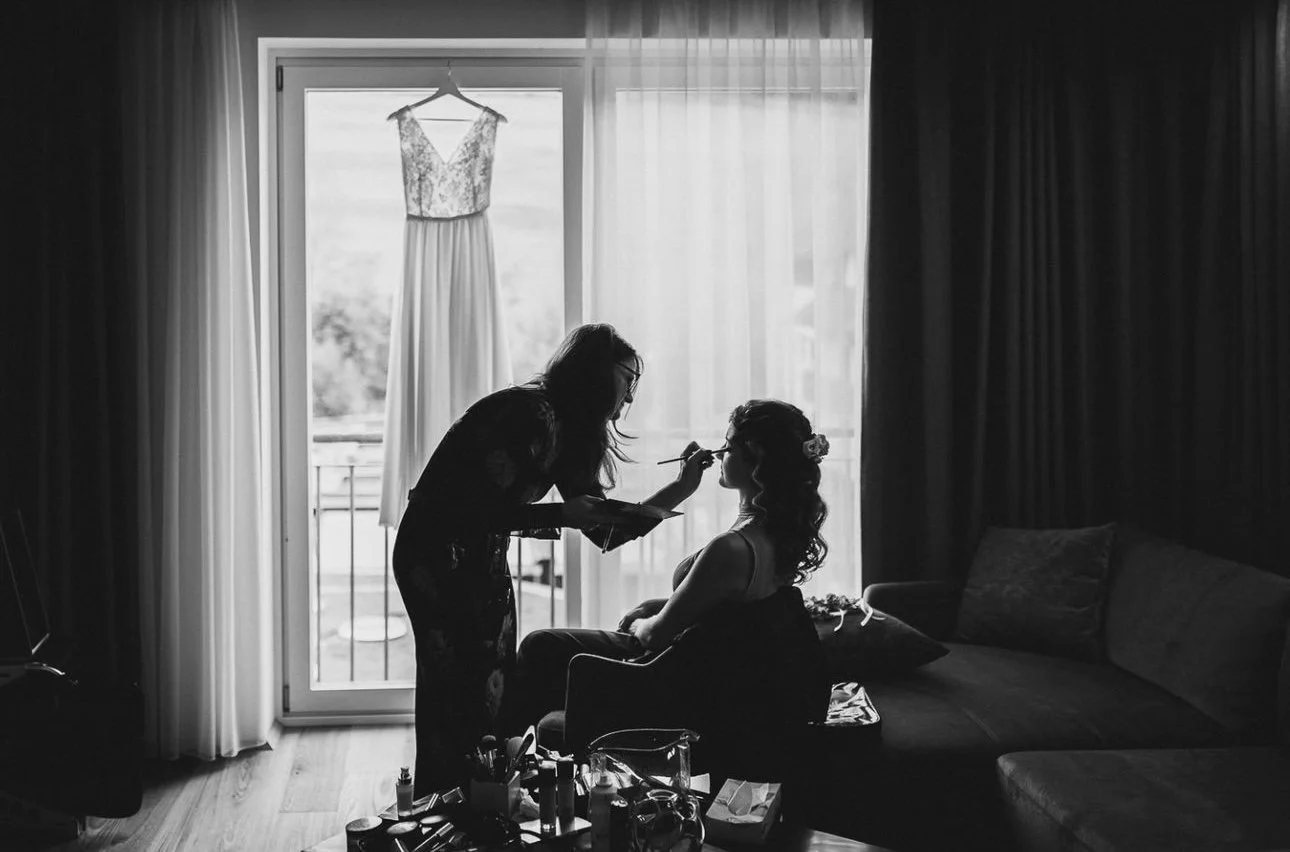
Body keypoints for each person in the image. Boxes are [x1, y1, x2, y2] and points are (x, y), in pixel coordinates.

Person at [392, 323, 703, 796]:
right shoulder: (529, 412)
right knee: (455, 690)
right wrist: (561, 511)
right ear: (596, 374)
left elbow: (602, 529)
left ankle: (483, 801)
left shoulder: (568, 427)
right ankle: (448, 807)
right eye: (627, 379)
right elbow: (462, 507)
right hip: (435, 557)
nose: (631, 396)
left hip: (480, 559)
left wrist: (680, 488)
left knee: (489, 689)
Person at [507, 399, 832, 775]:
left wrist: (642, 622)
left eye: (726, 446)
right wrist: (660, 602)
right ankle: (534, 769)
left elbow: (655, 637)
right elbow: (732, 608)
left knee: (539, 648)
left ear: (754, 456)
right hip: (703, 670)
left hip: (678, 687)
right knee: (546, 646)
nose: (720, 455)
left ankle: (510, 772)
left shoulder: (732, 548)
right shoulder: (779, 534)